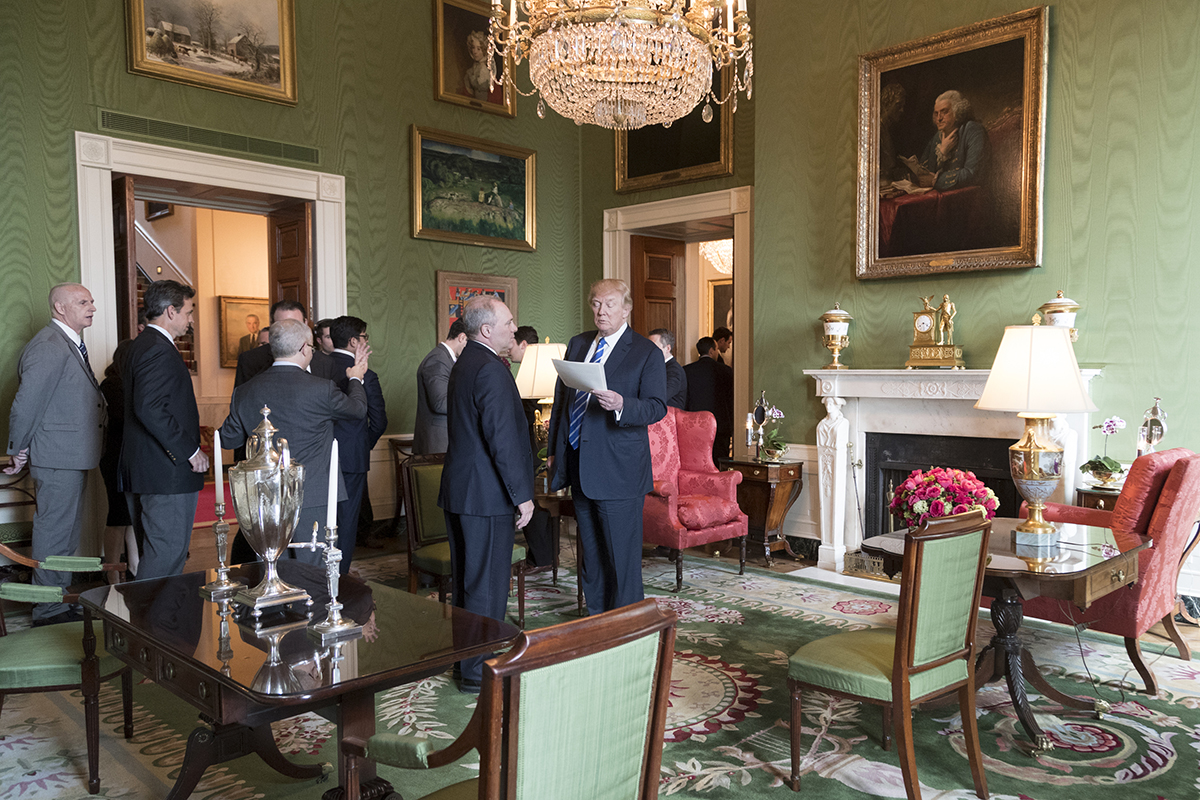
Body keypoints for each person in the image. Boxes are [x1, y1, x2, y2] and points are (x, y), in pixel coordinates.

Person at [547, 279, 666, 614]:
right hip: (579, 465)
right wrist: (555, 451)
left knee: (621, 559)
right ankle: (597, 621)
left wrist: (622, 404)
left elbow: (657, 407)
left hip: (619, 471)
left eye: (610, 304)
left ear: (626, 309)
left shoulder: (646, 352)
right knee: (592, 556)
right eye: (596, 304)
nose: (601, 311)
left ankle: (627, 625)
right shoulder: (578, 343)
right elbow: (562, 401)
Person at [437, 296, 533, 692]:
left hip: (462, 492)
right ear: (487, 330)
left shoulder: (465, 362)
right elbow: (502, 440)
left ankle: (466, 665)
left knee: (467, 583)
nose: (514, 328)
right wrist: (522, 495)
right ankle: (479, 673)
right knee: (487, 587)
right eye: (509, 323)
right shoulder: (490, 369)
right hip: (486, 495)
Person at [218, 319, 370, 567]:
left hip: (265, 498)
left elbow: (228, 438)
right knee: (311, 571)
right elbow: (357, 410)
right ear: (303, 348)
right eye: (311, 347)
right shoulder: (321, 389)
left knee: (270, 570)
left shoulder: (245, 391)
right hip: (312, 495)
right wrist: (355, 379)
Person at [4, 283, 105, 625]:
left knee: (64, 535)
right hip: (57, 457)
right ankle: (47, 609)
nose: (92, 307)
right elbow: (26, 404)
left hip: (70, 456)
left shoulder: (66, 342)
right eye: (83, 302)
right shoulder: (49, 344)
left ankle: (58, 602)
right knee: (54, 534)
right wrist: (18, 448)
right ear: (60, 308)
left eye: (91, 301)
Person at [119, 280, 209, 580]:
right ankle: (147, 612)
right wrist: (190, 450)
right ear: (171, 311)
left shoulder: (143, 344)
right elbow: (150, 408)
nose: (191, 319)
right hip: (164, 473)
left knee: (158, 555)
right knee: (166, 556)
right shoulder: (157, 348)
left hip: (148, 470)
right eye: (189, 312)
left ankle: (149, 610)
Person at [328, 315, 387, 571]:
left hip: (317, 455)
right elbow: (379, 421)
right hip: (353, 457)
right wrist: (363, 444)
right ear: (354, 341)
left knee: (318, 519)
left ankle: (314, 576)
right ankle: (339, 578)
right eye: (364, 337)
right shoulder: (366, 375)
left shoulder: (317, 368)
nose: (366, 341)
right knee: (347, 521)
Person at [98, 309, 146, 582]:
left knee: (129, 516)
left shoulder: (128, 383)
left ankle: (134, 569)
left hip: (130, 458)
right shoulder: (112, 384)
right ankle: (112, 576)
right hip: (116, 459)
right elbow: (124, 418)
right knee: (118, 517)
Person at [509, 324, 554, 567]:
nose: (508, 349)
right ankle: (544, 555)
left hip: (534, 451)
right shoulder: (527, 373)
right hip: (534, 449)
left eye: (512, 344)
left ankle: (542, 556)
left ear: (524, 344)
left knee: (536, 501)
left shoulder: (533, 376)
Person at [235, 300, 336, 386]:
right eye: (283, 325)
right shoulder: (250, 360)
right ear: (272, 326)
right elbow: (242, 399)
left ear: (305, 323)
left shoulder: (326, 362)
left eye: (295, 324)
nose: (289, 330)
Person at [904, 90, 989, 192]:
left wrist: (935, 180)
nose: (939, 118)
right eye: (936, 113)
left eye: (944, 112)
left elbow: (972, 173)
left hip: (969, 195)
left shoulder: (973, 130)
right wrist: (942, 151)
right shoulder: (937, 136)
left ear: (957, 111)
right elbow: (927, 171)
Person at [413, 319, 468, 454]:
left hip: (443, 441)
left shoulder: (445, 358)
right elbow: (441, 403)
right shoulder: (438, 359)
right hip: (438, 443)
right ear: (462, 337)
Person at [684, 336, 734, 466]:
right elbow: (731, 400)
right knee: (719, 464)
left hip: (694, 425)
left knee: (696, 463)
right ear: (711, 351)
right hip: (720, 426)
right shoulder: (726, 371)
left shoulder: (686, 371)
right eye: (716, 349)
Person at [648, 328, 687, 409]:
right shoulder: (655, 366)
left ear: (668, 348)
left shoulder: (674, 370)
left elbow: (662, 396)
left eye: (654, 347)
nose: (649, 351)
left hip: (668, 415)